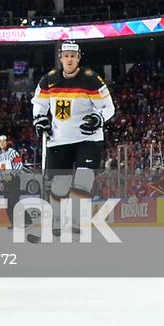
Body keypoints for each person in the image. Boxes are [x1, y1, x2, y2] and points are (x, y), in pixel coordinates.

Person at [32, 42, 115, 234]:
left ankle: (78, 220)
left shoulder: (92, 80)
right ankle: (57, 220)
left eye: (73, 56)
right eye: (66, 55)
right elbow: (39, 105)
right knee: (60, 182)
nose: (69, 59)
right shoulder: (48, 80)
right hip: (59, 139)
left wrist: (98, 118)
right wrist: (40, 120)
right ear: (60, 57)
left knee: (84, 176)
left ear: (79, 58)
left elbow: (109, 108)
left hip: (89, 137)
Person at [0, 133, 23, 223]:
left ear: (7, 142)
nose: (2, 143)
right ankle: (13, 222)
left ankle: (26, 221)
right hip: (6, 182)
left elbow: (19, 165)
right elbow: (0, 168)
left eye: (4, 140)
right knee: (7, 204)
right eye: (0, 141)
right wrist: (1, 181)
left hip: (13, 181)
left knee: (14, 202)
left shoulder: (13, 152)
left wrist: (11, 175)